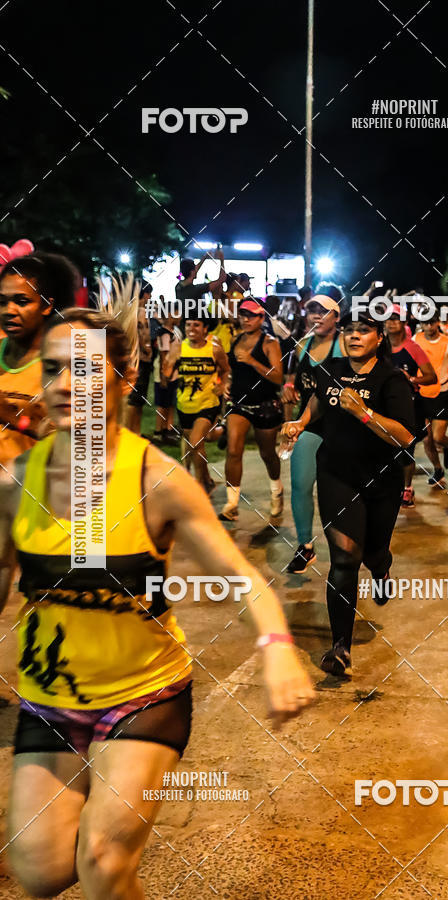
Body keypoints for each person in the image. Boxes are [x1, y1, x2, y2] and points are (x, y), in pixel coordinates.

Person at [2, 304, 314, 900]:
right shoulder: (15, 482)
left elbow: (241, 577)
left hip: (144, 694)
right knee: (40, 872)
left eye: (84, 369)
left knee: (103, 859)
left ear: (125, 378)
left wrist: (277, 647)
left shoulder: (158, 480)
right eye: (53, 368)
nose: (64, 385)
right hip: (49, 697)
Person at [281, 309, 415, 676]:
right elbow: (318, 399)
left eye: (364, 330)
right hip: (336, 475)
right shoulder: (331, 368)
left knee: (372, 553)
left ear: (378, 338)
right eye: (350, 330)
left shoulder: (392, 380)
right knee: (344, 557)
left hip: (381, 480)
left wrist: (364, 413)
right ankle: (340, 646)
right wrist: (301, 422)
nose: (355, 336)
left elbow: (405, 436)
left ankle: (382, 568)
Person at [281, 294, 345, 574]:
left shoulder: (347, 344)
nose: (316, 316)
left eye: (323, 311)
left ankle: (350, 545)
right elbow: (295, 381)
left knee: (340, 491)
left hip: (344, 427)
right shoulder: (302, 346)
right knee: (300, 484)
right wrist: (289, 389)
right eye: (312, 311)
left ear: (336, 317)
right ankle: (305, 546)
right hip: (310, 426)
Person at [0, 252, 79, 465]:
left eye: (22, 302)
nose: (9, 311)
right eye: (2, 302)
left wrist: (12, 417)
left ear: (46, 306)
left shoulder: (66, 365)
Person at [221, 298, 284, 521]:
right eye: (242, 315)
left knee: (267, 454)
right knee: (233, 450)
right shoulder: (236, 339)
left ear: (261, 317)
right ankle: (231, 504)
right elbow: (231, 369)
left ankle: (277, 491)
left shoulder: (270, 343)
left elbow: (278, 377)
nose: (246, 320)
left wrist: (252, 361)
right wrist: (227, 383)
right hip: (239, 404)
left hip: (265, 405)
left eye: (251, 315)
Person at [165, 315, 230, 491]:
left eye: (196, 325)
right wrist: (168, 365)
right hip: (185, 405)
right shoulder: (179, 348)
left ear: (205, 329)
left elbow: (226, 370)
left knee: (195, 442)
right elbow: (167, 372)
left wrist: (223, 384)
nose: (191, 328)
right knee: (199, 443)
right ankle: (207, 478)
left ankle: (200, 486)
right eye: (188, 325)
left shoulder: (214, 349)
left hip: (208, 403)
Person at [385, 306, 436, 507]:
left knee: (406, 450)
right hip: (383, 406)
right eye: (387, 318)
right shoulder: (379, 346)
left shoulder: (412, 348)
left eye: (395, 318)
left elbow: (431, 376)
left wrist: (411, 379)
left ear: (405, 322)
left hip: (409, 406)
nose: (391, 322)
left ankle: (407, 488)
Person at [414, 311, 448, 488]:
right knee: (427, 439)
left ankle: (447, 445)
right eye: (425, 323)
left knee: (438, 437)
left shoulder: (447, 342)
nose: (429, 326)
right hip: (420, 394)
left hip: (441, 394)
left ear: (438, 322)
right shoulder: (416, 339)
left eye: (432, 322)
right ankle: (437, 469)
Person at [126, 282, 154, 435]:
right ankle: (131, 431)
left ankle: (135, 432)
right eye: (149, 293)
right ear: (144, 294)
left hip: (135, 358)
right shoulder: (140, 311)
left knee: (138, 399)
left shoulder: (131, 309)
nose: (150, 297)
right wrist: (146, 347)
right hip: (140, 359)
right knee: (135, 399)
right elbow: (140, 331)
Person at [152, 304, 182, 444]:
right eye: (177, 314)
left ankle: (168, 429)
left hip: (174, 373)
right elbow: (164, 356)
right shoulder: (164, 333)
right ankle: (159, 431)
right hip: (166, 373)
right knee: (163, 403)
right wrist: (164, 376)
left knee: (170, 403)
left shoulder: (174, 331)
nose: (180, 317)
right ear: (170, 315)